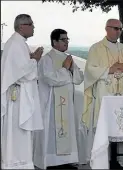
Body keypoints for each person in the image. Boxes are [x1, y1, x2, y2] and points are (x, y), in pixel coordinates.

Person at [81, 19, 123, 167]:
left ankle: (119, 160)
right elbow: (90, 69)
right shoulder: (96, 48)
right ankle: (104, 159)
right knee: (105, 125)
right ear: (106, 29)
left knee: (121, 124)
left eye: (121, 29)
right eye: (115, 28)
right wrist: (109, 70)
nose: (119, 31)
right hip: (104, 92)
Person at [33, 29, 84, 169]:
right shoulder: (47, 59)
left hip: (66, 103)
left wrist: (72, 69)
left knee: (67, 130)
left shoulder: (68, 58)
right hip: (51, 105)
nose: (66, 42)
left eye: (68, 39)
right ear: (54, 41)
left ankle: (66, 160)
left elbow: (79, 78)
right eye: (63, 39)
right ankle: (51, 161)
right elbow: (50, 79)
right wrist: (65, 69)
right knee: (52, 131)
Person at [1, 14, 44, 169]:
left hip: (19, 96)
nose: (33, 27)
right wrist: (35, 60)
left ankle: (22, 163)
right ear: (21, 26)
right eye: (31, 24)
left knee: (21, 134)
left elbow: (20, 67)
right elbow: (22, 73)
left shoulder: (19, 43)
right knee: (18, 132)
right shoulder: (15, 44)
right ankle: (16, 164)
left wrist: (31, 58)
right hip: (17, 98)